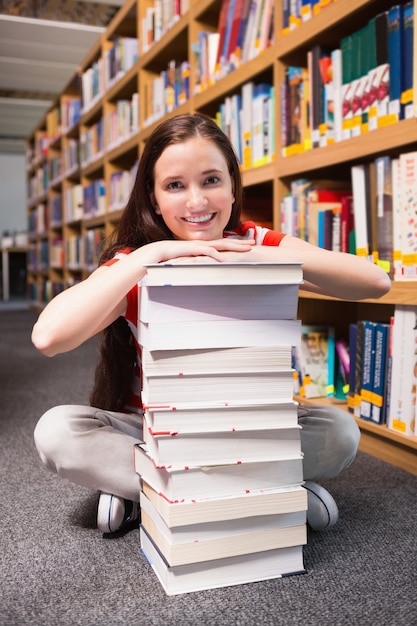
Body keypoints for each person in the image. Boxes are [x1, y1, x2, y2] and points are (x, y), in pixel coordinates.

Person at [32, 113, 391, 534]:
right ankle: (272, 489)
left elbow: (375, 282)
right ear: (153, 197)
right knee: (56, 431)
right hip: (157, 434)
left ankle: (143, 492)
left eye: (211, 180)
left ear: (233, 185)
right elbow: (48, 337)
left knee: (340, 432)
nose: (197, 202)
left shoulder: (257, 241)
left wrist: (247, 253)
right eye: (175, 186)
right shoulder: (136, 262)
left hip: (251, 430)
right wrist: (151, 256)